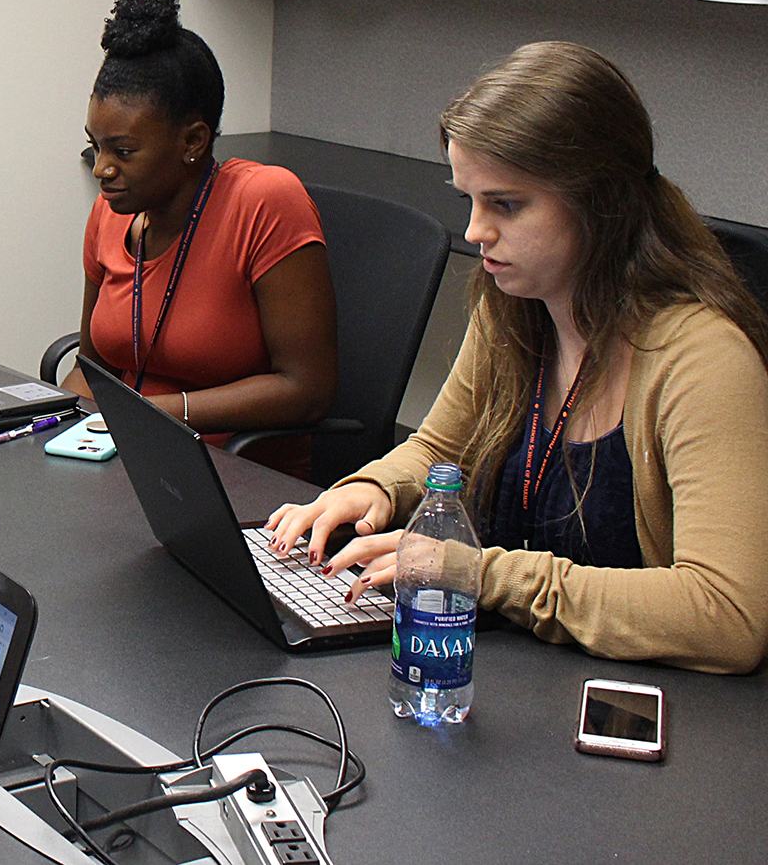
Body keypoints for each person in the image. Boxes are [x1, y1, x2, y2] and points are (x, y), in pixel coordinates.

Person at [267, 41, 768, 675]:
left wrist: (483, 575)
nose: (476, 232)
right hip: (516, 676)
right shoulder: (513, 306)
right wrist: (374, 487)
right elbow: (437, 449)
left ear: (601, 201)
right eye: (468, 203)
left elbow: (726, 615)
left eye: (505, 205)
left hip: (637, 705)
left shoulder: (704, 360)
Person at [77, 0, 335, 476]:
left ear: (193, 141)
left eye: (123, 151)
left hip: (235, 477)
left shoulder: (264, 202)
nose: (102, 170)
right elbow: (92, 370)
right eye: (96, 147)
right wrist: (46, 425)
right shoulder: (110, 213)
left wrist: (148, 415)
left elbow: (307, 390)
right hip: (122, 459)